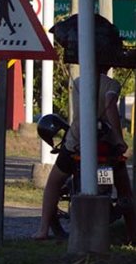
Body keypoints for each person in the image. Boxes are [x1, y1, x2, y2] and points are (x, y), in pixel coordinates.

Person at [34, 65, 135, 242]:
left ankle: (43, 230)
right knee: (124, 189)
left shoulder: (79, 82)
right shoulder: (112, 84)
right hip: (107, 144)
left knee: (54, 183)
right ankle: (132, 234)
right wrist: (119, 138)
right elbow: (110, 106)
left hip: (77, 142)